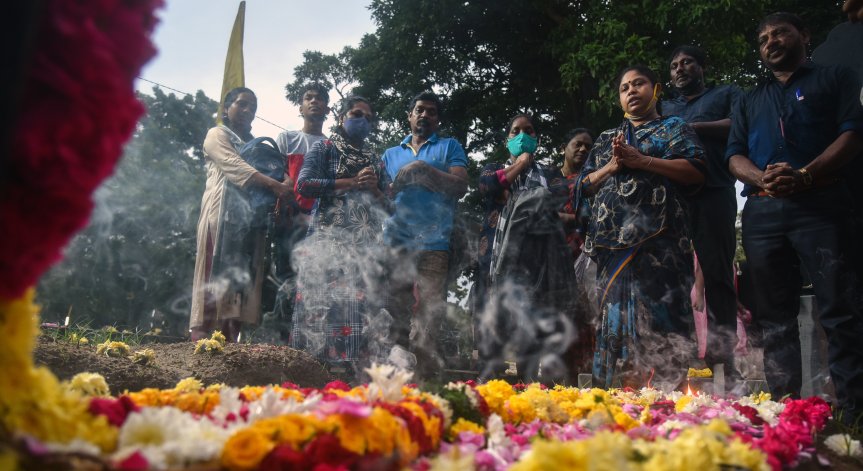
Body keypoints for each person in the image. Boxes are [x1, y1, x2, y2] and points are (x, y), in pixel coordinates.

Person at [726, 12, 863, 418]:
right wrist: (763, 179)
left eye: (780, 32)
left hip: (823, 205)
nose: (770, 41)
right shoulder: (749, 99)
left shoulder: (836, 78)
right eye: (764, 37)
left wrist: (805, 174)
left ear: (804, 35)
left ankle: (853, 413)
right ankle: (786, 410)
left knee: (840, 308)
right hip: (763, 214)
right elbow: (734, 155)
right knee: (773, 316)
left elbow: (853, 133)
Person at [575, 65, 706, 389]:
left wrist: (642, 161)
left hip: (661, 246)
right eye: (625, 87)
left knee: (665, 323)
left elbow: (696, 171)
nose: (632, 91)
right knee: (613, 326)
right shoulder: (607, 139)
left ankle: (666, 406)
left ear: (656, 88)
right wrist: (613, 165)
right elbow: (583, 186)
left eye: (639, 84)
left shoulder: (674, 128)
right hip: (612, 251)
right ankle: (612, 403)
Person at [289, 96, 388, 381]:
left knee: (358, 317)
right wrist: (350, 183)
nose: (363, 121)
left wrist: (375, 191)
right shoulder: (325, 148)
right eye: (357, 114)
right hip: (325, 248)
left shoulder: (374, 160)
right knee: (319, 312)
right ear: (342, 117)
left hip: (363, 252)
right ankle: (309, 380)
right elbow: (304, 185)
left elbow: (390, 207)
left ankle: (351, 383)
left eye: (368, 118)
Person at [662, 45, 742, 383]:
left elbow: (740, 125)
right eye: (674, 65)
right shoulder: (664, 106)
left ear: (702, 66)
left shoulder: (727, 93)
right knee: (672, 279)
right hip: (672, 199)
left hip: (715, 192)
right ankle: (678, 359)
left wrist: (691, 127)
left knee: (718, 276)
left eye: (687, 62)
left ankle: (723, 360)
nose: (680, 69)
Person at [477, 114, 576, 383]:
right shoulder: (492, 167)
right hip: (498, 262)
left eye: (528, 131)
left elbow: (561, 195)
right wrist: (520, 165)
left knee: (536, 330)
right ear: (507, 138)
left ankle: (535, 394)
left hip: (540, 266)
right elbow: (488, 186)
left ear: (537, 138)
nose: (522, 136)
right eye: (515, 131)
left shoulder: (550, 173)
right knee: (496, 330)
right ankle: (492, 393)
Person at [189, 87, 293, 341]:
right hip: (220, 216)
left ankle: (230, 342)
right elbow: (235, 167)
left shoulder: (255, 146)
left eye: (253, 107)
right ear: (226, 108)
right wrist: (274, 184)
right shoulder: (216, 134)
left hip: (250, 222)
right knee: (213, 276)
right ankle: (201, 343)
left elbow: (277, 173)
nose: (248, 111)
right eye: (242, 104)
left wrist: (285, 179)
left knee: (243, 282)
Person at [381, 91, 468, 381]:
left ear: (437, 118)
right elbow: (382, 197)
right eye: (419, 110)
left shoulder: (449, 146)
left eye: (431, 111)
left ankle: (424, 384)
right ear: (409, 116)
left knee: (429, 315)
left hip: (435, 243)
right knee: (394, 313)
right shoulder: (390, 154)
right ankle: (392, 381)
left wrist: (423, 169)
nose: (425, 115)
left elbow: (460, 186)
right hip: (397, 242)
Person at [270, 83, 331, 337]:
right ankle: (280, 340)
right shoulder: (287, 139)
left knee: (314, 282)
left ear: (327, 107)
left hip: (317, 225)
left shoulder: (331, 145)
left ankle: (305, 340)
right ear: (300, 106)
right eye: (309, 97)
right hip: (288, 221)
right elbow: (275, 171)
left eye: (319, 98)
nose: (314, 101)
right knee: (285, 279)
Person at [558, 128, 594, 260]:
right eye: (578, 144)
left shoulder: (595, 182)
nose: (583, 149)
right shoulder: (548, 178)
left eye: (588, 147)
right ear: (563, 148)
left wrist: (564, 218)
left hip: (588, 256)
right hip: (551, 254)